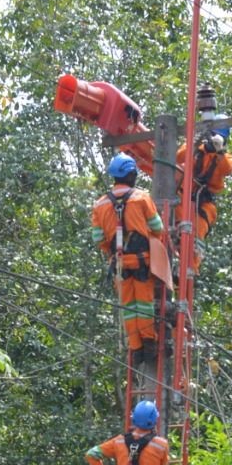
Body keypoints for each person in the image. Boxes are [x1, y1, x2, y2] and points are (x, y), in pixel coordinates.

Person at [91, 155, 165, 365]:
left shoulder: (100, 204)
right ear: (132, 174)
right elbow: (157, 227)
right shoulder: (141, 198)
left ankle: (136, 347)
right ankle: (149, 342)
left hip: (119, 264)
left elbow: (98, 239)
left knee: (128, 306)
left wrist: (112, 251)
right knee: (144, 304)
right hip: (142, 261)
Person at [175, 124, 232, 270]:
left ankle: (190, 269)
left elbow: (228, 169)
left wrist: (219, 151)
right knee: (172, 224)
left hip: (203, 203)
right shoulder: (196, 148)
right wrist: (194, 145)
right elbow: (179, 156)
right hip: (182, 196)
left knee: (197, 232)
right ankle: (172, 259)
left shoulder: (225, 157)